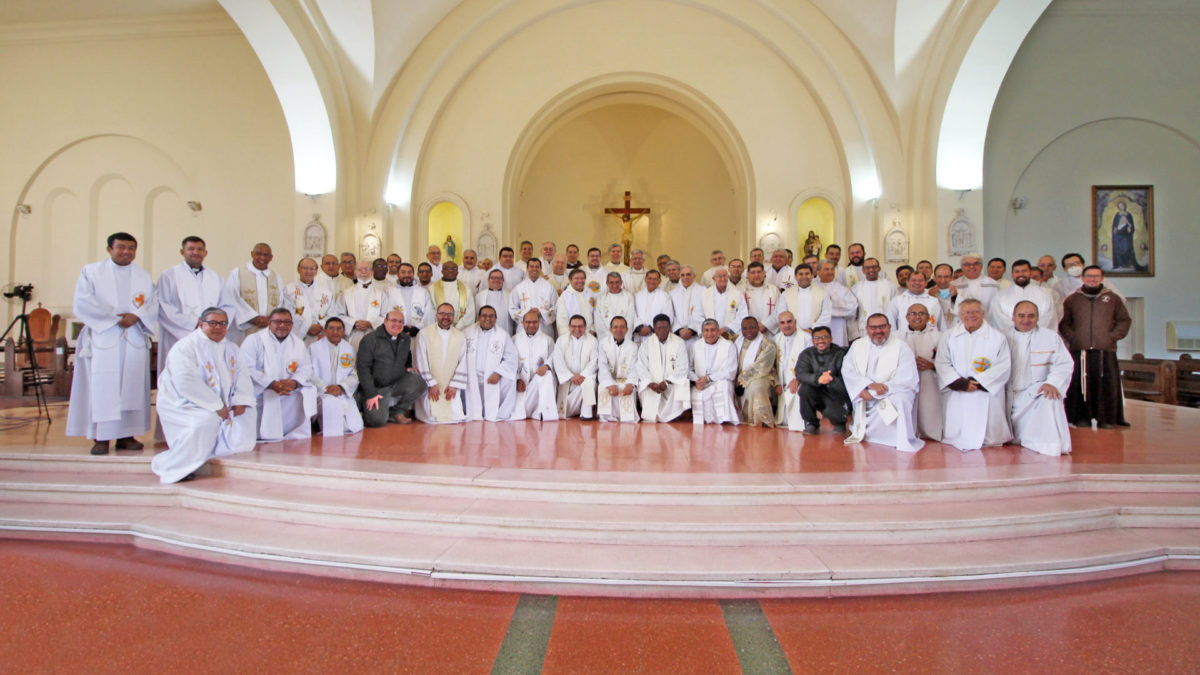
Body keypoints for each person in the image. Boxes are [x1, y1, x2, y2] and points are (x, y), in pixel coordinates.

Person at [66, 231, 158, 455]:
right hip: (104, 336)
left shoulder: (143, 276)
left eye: (131, 248)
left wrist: (136, 317)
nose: (126, 252)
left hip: (134, 335)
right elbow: (83, 302)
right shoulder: (92, 272)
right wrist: (115, 318)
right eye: (121, 247)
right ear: (110, 249)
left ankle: (127, 435)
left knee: (132, 385)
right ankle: (100, 437)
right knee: (103, 386)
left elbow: (152, 303)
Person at [151, 308, 256, 483]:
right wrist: (216, 405)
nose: (218, 327)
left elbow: (243, 376)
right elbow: (185, 382)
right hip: (185, 403)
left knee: (247, 415)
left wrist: (240, 400)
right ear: (201, 323)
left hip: (220, 404)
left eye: (222, 324)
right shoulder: (186, 347)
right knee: (204, 422)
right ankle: (176, 467)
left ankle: (215, 451)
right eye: (213, 323)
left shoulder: (231, 348)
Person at [1059, 265, 1131, 429]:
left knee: (1107, 385)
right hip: (1081, 349)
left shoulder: (1113, 299)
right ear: (1083, 278)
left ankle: (1106, 419)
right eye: (1089, 276)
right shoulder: (1072, 299)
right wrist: (1074, 337)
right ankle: (1081, 417)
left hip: (1105, 350)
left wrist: (1112, 337)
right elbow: (1065, 323)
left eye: (1096, 276)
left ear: (1102, 278)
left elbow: (1124, 320)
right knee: (1080, 385)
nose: (1092, 279)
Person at [935, 298, 1012, 450]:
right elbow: (942, 362)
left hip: (986, 392)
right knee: (958, 429)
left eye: (975, 312)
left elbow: (1003, 365)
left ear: (983, 313)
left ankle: (988, 437)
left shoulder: (997, 337)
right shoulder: (949, 336)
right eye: (966, 312)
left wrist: (978, 382)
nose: (971, 315)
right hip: (959, 390)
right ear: (960, 314)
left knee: (988, 431)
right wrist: (961, 383)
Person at [841, 313, 923, 452]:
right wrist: (865, 386)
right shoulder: (858, 345)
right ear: (867, 329)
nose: (878, 331)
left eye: (882, 327)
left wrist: (875, 393)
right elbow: (847, 371)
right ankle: (867, 433)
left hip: (892, 392)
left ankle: (898, 439)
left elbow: (906, 378)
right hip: (865, 392)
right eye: (873, 327)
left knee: (901, 400)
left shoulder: (901, 347)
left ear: (889, 327)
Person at [1007, 301, 1074, 455]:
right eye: (1021, 316)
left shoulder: (1050, 337)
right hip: (1007, 393)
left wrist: (1052, 383)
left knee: (1050, 397)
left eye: (1031, 316)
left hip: (1035, 391)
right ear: (1013, 317)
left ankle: (1045, 444)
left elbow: (1064, 364)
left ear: (1038, 318)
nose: (1026, 320)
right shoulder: (1001, 336)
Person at [240, 308, 316, 441]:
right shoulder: (253, 340)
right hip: (261, 390)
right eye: (278, 322)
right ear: (269, 323)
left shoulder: (298, 343)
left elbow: (305, 368)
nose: (282, 325)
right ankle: (264, 433)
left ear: (292, 325)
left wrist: (294, 382)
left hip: (288, 390)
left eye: (287, 322)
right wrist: (271, 383)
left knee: (309, 391)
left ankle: (291, 431)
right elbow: (246, 367)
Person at [157, 236, 222, 376]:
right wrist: (194, 322)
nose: (195, 252)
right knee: (180, 375)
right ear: (182, 252)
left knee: (206, 376)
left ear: (205, 253)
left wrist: (214, 325)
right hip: (178, 336)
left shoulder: (215, 277)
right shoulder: (169, 275)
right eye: (191, 249)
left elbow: (227, 305)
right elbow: (163, 307)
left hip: (208, 336)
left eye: (200, 249)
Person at [356, 310, 426, 427]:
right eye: (393, 320)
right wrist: (371, 393)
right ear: (385, 321)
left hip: (396, 383)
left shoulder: (405, 339)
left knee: (419, 383)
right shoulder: (370, 340)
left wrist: (408, 367)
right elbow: (363, 369)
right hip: (376, 388)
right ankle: (364, 407)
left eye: (401, 322)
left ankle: (397, 412)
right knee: (376, 421)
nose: (397, 324)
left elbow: (407, 355)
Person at [414, 303, 469, 424]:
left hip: (450, 386)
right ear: (436, 315)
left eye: (449, 314)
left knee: (455, 416)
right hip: (431, 385)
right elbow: (420, 360)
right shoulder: (424, 334)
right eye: (442, 313)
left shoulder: (459, 336)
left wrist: (455, 385)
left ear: (454, 317)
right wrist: (431, 384)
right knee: (431, 416)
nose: (446, 317)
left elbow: (464, 361)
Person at [219, 242, 284, 345]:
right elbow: (232, 298)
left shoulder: (276, 277)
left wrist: (271, 319)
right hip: (245, 328)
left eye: (266, 255)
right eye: (258, 254)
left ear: (271, 257)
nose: (262, 258)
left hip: (269, 327)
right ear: (252, 254)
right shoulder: (238, 273)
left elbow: (281, 301)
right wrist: (252, 317)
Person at [308, 317, 363, 436]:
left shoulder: (350, 349)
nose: (335, 332)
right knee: (334, 424)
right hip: (321, 393)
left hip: (342, 393)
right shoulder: (313, 348)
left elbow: (355, 374)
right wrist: (324, 388)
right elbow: (309, 371)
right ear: (325, 331)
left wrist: (341, 387)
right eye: (331, 329)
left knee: (354, 425)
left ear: (344, 331)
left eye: (339, 329)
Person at [462, 305, 518, 421]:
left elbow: (511, 358)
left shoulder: (502, 335)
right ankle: (466, 411)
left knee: (510, 381)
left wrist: (498, 373)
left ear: (496, 318)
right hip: (471, 376)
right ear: (478, 317)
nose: (488, 319)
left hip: (492, 375)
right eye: (484, 316)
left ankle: (499, 413)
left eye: (491, 316)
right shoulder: (467, 333)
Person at [794, 325, 850, 435]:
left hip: (834, 391)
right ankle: (811, 423)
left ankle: (839, 423)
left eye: (824, 337)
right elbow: (800, 373)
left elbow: (847, 377)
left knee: (838, 428)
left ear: (831, 338)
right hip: (815, 390)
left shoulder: (841, 353)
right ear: (812, 340)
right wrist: (818, 379)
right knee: (804, 389)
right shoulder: (806, 354)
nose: (821, 341)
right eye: (817, 338)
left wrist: (830, 380)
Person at [637, 314, 692, 423]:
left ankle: (674, 415)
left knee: (683, 382)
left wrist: (667, 382)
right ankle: (654, 415)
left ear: (669, 328)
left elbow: (683, 367)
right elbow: (641, 367)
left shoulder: (679, 342)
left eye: (665, 327)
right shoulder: (646, 344)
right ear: (654, 328)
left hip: (671, 383)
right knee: (643, 386)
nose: (662, 331)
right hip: (653, 384)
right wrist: (650, 383)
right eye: (658, 328)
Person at [901, 303, 942, 441]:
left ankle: (931, 433)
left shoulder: (939, 336)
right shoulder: (897, 337)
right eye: (913, 314)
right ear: (906, 317)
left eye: (921, 313)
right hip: (906, 380)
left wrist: (933, 365)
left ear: (928, 317)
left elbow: (949, 360)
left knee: (930, 408)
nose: (917, 317)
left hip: (930, 379)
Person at [330, 260, 393, 349]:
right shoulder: (346, 293)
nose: (363, 272)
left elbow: (387, 316)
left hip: (374, 334)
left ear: (372, 272)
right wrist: (353, 323)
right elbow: (338, 315)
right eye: (360, 269)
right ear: (355, 272)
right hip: (353, 335)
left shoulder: (381, 294)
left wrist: (371, 323)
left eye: (367, 269)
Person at [689, 319, 740, 425]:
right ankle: (707, 419)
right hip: (700, 382)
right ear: (702, 332)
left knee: (724, 386)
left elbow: (731, 371)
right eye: (706, 330)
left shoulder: (729, 345)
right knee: (697, 392)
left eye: (713, 330)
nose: (709, 334)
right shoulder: (695, 346)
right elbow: (688, 368)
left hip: (720, 380)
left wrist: (709, 378)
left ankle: (724, 419)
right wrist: (696, 381)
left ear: (718, 332)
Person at [512, 309, 559, 421]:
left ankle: (544, 412)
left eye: (534, 322)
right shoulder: (514, 340)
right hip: (521, 384)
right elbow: (510, 362)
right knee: (520, 410)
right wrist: (517, 379)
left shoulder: (547, 340)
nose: (531, 325)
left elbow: (554, 357)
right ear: (522, 323)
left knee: (547, 376)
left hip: (539, 381)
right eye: (528, 322)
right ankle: (533, 411)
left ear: (539, 323)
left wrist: (546, 366)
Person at [989, 259, 1057, 331]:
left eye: (1024, 271)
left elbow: (1049, 317)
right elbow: (998, 318)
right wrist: (1018, 331)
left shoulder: (1044, 294)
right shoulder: (1000, 296)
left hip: (1039, 336)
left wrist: (1033, 330)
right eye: (1017, 271)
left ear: (1030, 273)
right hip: (1011, 338)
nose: (1021, 274)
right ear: (1012, 274)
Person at [553, 314, 599, 419]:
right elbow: (557, 360)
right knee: (564, 407)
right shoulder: (561, 340)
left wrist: (582, 375)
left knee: (590, 381)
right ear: (569, 327)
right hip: (567, 380)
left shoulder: (593, 340)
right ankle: (571, 411)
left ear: (585, 327)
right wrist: (570, 376)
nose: (577, 329)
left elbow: (594, 361)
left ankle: (586, 414)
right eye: (574, 326)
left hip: (584, 378)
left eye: (580, 326)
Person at [735, 316, 778, 427]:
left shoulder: (767, 344)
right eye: (745, 328)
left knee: (756, 387)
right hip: (738, 377)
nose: (748, 331)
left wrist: (741, 379)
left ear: (758, 328)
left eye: (752, 328)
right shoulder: (737, 340)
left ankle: (761, 420)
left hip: (762, 376)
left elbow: (761, 366)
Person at [597, 316, 641, 422]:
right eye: (615, 327)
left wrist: (630, 383)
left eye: (622, 327)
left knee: (629, 390)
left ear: (627, 330)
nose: (618, 330)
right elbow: (602, 365)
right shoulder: (603, 343)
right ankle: (607, 417)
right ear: (610, 329)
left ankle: (627, 416)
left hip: (625, 379)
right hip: (608, 379)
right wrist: (609, 383)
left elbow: (634, 367)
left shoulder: (633, 346)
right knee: (603, 388)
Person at [773, 311, 812, 430]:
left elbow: (811, 363)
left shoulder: (806, 338)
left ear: (795, 322)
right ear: (779, 325)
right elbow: (772, 365)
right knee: (782, 420)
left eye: (789, 322)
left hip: (799, 382)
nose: (786, 325)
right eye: (782, 323)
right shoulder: (775, 339)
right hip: (782, 383)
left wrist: (798, 379)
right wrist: (776, 383)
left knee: (795, 420)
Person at [284, 257, 334, 344]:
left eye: (312, 268)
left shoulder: (326, 292)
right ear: (298, 269)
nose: (308, 271)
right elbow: (288, 313)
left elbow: (331, 313)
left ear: (316, 271)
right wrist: (307, 327)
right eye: (305, 268)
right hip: (298, 335)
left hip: (320, 334)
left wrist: (320, 325)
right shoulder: (289, 289)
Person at [509, 258, 558, 337]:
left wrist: (541, 312)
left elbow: (556, 307)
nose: (534, 269)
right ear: (527, 268)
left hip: (544, 328)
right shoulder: (519, 288)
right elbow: (512, 308)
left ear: (540, 269)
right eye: (531, 266)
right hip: (524, 328)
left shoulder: (549, 287)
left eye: (537, 267)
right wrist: (527, 314)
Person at [850, 257, 895, 342]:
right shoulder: (856, 289)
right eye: (867, 268)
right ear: (863, 270)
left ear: (879, 268)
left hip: (886, 330)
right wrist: (854, 334)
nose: (871, 270)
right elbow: (853, 314)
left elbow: (895, 310)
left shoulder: (890, 286)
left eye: (874, 267)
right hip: (864, 330)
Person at [778, 264, 831, 335]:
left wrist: (812, 329)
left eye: (807, 274)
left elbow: (826, 315)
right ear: (795, 277)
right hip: (793, 333)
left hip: (815, 333)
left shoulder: (823, 293)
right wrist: (794, 329)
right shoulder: (786, 294)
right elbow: (782, 313)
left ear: (812, 275)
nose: (804, 277)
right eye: (801, 274)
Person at [814, 260, 858, 345]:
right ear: (818, 271)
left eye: (832, 269)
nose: (830, 272)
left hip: (837, 327)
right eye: (826, 269)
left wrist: (826, 308)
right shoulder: (812, 288)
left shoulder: (842, 289)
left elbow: (852, 308)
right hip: (817, 326)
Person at [699, 267, 747, 339]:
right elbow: (698, 315)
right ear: (714, 278)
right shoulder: (704, 294)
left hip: (730, 334)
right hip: (710, 335)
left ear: (728, 277)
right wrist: (710, 329)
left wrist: (728, 328)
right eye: (719, 276)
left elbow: (743, 315)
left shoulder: (737, 294)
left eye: (725, 276)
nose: (723, 279)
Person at [389, 262, 435, 335]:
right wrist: (400, 327)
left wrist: (417, 328)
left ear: (413, 274)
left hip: (418, 333)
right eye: (403, 272)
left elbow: (428, 315)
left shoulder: (423, 292)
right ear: (398, 274)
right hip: (396, 332)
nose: (407, 275)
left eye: (409, 272)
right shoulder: (390, 292)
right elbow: (386, 313)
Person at [429, 260, 476, 330]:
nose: (450, 271)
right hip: (438, 329)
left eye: (454, 269)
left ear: (457, 272)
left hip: (460, 330)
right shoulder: (432, 289)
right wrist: (441, 325)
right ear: (442, 271)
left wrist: (458, 327)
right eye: (447, 268)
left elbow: (470, 312)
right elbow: (430, 311)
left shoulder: (466, 290)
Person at [594, 271, 636, 342]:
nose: (614, 285)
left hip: (624, 338)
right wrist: (610, 338)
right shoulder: (601, 298)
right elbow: (598, 321)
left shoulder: (628, 297)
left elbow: (630, 319)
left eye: (617, 282)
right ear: (607, 283)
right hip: (606, 339)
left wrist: (622, 336)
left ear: (621, 283)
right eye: (611, 282)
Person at [633, 269, 674, 340]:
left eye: (655, 279)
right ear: (645, 279)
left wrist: (650, 328)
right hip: (639, 334)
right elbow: (634, 313)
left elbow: (667, 315)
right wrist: (639, 327)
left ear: (659, 281)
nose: (652, 281)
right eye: (649, 278)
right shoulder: (638, 295)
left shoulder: (665, 297)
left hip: (656, 334)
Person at [669, 264, 705, 343]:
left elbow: (705, 313)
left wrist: (692, 330)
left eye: (688, 274)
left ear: (694, 276)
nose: (685, 277)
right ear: (680, 277)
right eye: (683, 275)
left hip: (697, 336)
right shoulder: (672, 294)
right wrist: (679, 330)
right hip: (679, 336)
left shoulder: (704, 291)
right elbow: (671, 315)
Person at [744, 262, 782, 336]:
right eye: (753, 272)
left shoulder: (773, 290)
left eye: (759, 272)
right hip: (749, 333)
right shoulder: (742, 291)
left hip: (770, 332)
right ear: (747, 275)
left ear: (764, 273)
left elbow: (780, 310)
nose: (756, 275)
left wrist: (765, 324)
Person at [555, 268, 594, 337]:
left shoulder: (590, 293)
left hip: (589, 334)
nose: (580, 281)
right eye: (576, 278)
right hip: (572, 335)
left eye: (582, 278)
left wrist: (593, 329)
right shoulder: (565, 297)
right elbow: (562, 320)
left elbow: (595, 313)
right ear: (570, 280)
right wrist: (569, 337)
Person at [476, 268, 514, 335]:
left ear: (503, 280)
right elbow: (477, 316)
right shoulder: (479, 296)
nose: (496, 280)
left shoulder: (510, 295)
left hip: (505, 330)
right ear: (488, 280)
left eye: (499, 278)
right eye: (493, 278)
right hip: (485, 331)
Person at [1111, 201, 1138, 270]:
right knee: (1118, 249)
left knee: (1126, 248)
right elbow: (1115, 225)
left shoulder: (1128, 215)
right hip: (1118, 236)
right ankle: (1120, 264)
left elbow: (1131, 225)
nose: (1121, 207)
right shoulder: (1117, 215)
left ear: (1124, 206)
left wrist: (1129, 227)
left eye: (1122, 205)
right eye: (1120, 206)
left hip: (1126, 236)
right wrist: (1116, 228)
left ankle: (1127, 264)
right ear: (1118, 207)